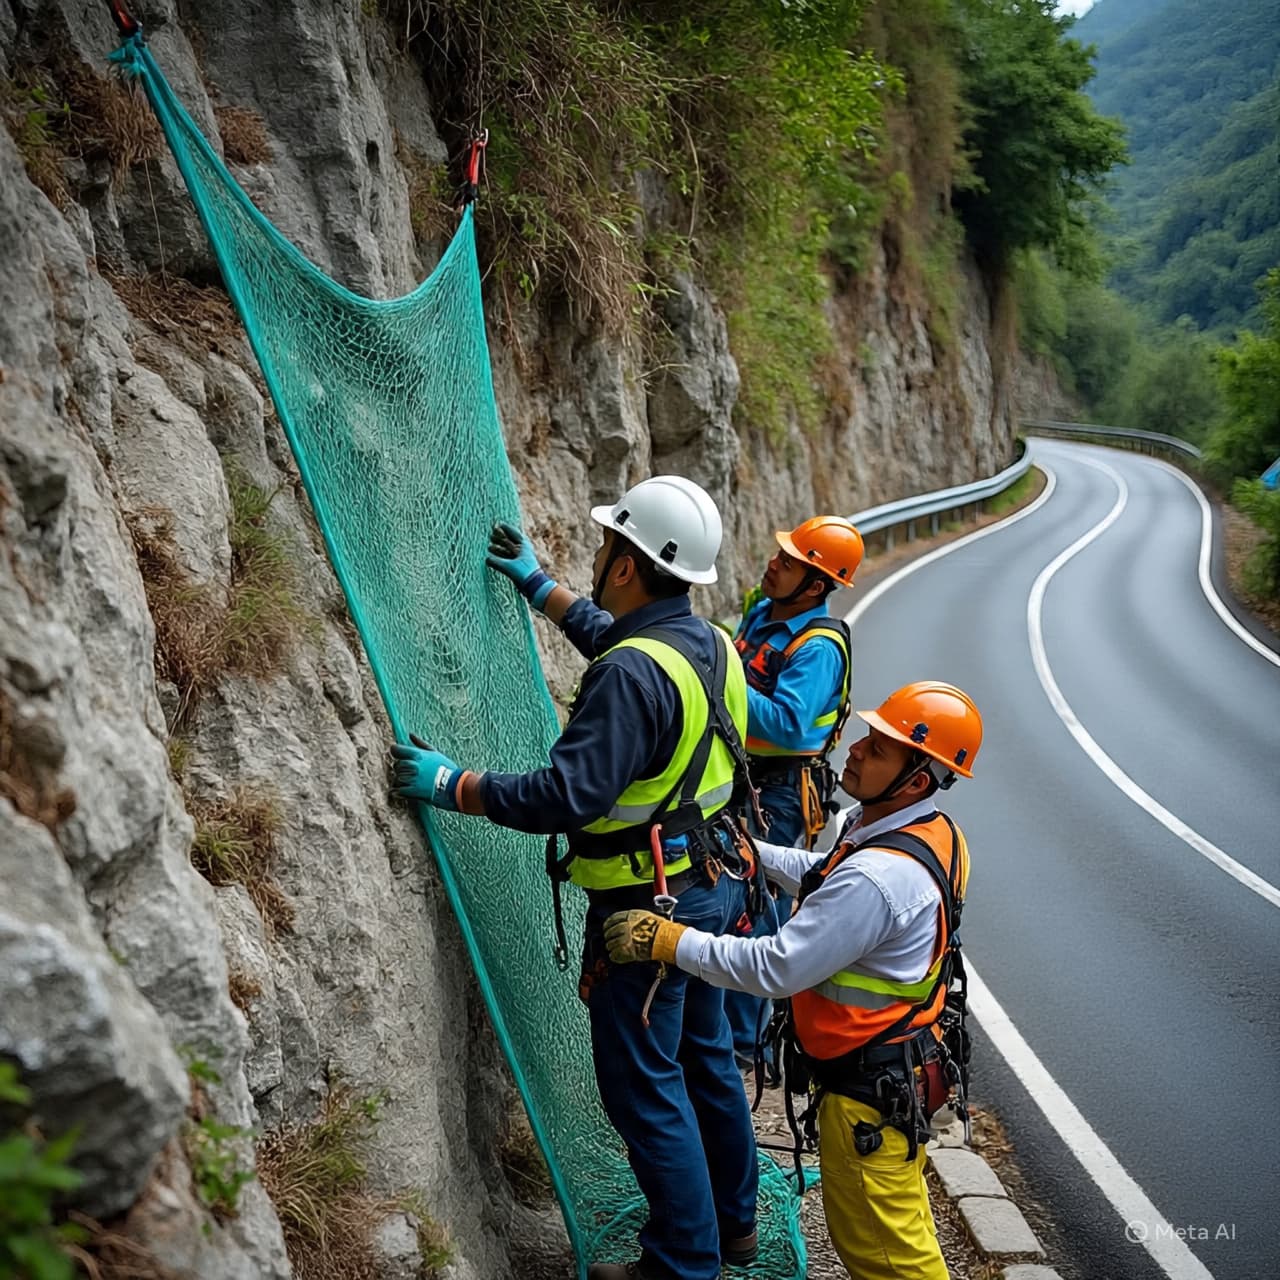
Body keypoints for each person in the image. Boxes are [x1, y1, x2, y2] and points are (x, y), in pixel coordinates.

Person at [389, 476, 760, 1280]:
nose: (597, 558)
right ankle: (735, 1228)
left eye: (606, 546)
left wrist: (456, 784)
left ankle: (682, 1265)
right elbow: (631, 653)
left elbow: (566, 796)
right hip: (713, 885)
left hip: (646, 911)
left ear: (626, 566)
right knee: (705, 1061)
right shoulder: (712, 646)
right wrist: (541, 588)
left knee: (645, 1090)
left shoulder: (632, 675)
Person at [602, 681, 982, 1280]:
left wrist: (671, 941)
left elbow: (775, 966)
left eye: (879, 749)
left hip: (867, 1100)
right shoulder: (928, 833)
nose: (855, 750)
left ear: (919, 778)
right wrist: (754, 851)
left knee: (889, 1260)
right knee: (896, 1244)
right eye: (867, 737)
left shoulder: (881, 878)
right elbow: (828, 875)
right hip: (891, 1076)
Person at [724, 516, 862, 1063]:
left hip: (778, 795)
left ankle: (746, 1047)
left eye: (791, 564)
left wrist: (717, 681)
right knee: (725, 895)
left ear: (816, 585)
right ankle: (728, 1031)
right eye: (781, 555)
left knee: (757, 908)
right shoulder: (763, 610)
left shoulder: (818, 647)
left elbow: (784, 722)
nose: (773, 564)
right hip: (742, 780)